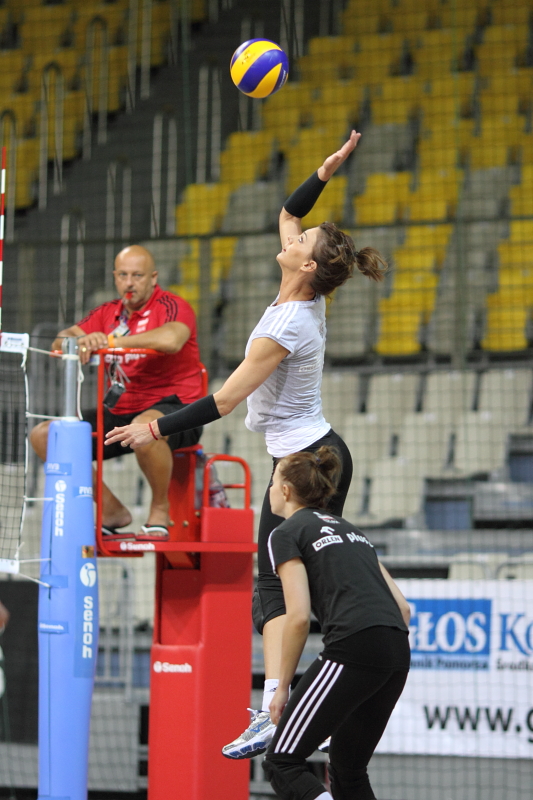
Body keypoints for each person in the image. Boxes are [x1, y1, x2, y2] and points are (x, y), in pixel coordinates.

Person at [104, 131, 387, 750]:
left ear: (306, 265)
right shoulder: (302, 292)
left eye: (303, 241)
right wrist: (324, 172)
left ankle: (277, 707)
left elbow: (225, 400)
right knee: (293, 583)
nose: (293, 236)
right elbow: (289, 211)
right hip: (311, 451)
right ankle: (298, 699)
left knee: (277, 586)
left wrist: (154, 426)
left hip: (307, 460)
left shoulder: (289, 323)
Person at [264, 446, 410, 800]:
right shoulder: (353, 531)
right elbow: (403, 609)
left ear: (285, 490)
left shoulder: (285, 533)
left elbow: (298, 617)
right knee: (348, 769)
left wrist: (281, 688)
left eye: (272, 482)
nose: (269, 490)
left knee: (282, 762)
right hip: (396, 651)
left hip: (353, 646)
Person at [30, 245, 204, 541]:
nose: (129, 283)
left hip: (178, 409)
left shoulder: (172, 305)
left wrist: (110, 342)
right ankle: (111, 510)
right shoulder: (108, 312)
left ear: (153, 278)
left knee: (144, 427)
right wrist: (82, 340)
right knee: (45, 436)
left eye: (137, 275)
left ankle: (159, 510)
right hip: (121, 410)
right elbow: (60, 341)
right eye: (123, 275)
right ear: (114, 277)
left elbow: (172, 339)